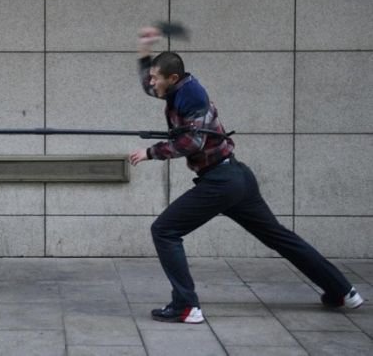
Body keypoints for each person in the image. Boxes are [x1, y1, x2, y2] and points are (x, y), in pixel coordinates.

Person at [129, 26, 364, 323]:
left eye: (155, 77)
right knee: (280, 238)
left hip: (221, 182)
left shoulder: (193, 96)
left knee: (164, 230)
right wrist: (143, 51)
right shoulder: (175, 89)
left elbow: (193, 142)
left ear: (172, 78)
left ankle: (186, 306)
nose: (151, 83)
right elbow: (150, 88)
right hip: (235, 177)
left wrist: (150, 152)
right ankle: (343, 291)